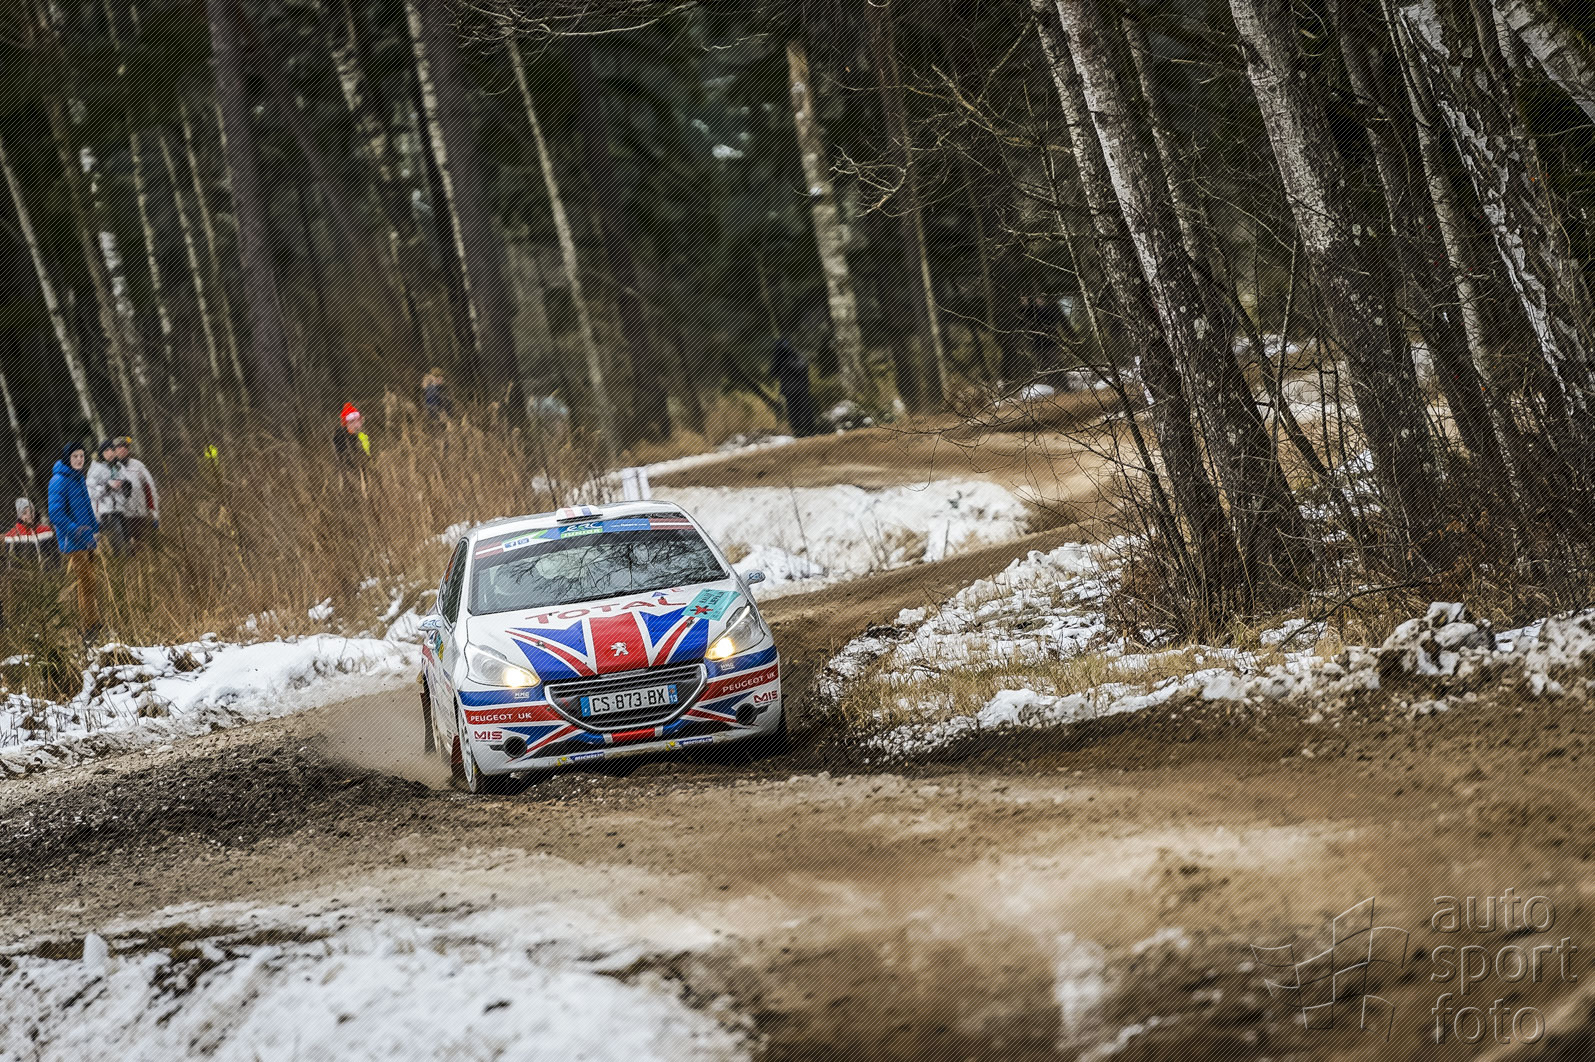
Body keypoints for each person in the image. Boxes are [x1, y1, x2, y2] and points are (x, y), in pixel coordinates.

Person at [47, 441, 101, 638]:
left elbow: (86, 507)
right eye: (75, 456)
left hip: (87, 539)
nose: (79, 459)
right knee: (87, 583)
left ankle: (92, 626)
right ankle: (90, 628)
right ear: (67, 458)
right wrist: (75, 530)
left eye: (81, 456)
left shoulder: (78, 477)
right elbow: (55, 513)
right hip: (73, 541)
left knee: (89, 584)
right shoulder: (59, 480)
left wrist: (95, 529)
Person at [85, 437, 132, 552]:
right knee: (119, 546)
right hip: (106, 513)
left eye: (112, 450)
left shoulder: (118, 467)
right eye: (106, 451)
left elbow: (126, 487)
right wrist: (107, 487)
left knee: (129, 547)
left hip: (121, 510)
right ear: (102, 454)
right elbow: (90, 492)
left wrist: (125, 485)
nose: (110, 453)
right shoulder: (95, 469)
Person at [113, 436, 159, 549]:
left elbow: (150, 489)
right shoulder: (110, 469)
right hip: (120, 518)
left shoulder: (138, 466)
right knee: (126, 552)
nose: (122, 449)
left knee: (143, 549)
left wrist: (155, 514)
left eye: (125, 446)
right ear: (114, 451)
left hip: (140, 516)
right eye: (119, 447)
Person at [770, 337, 817, 438]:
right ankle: (800, 432)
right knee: (794, 412)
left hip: (798, 389)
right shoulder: (781, 359)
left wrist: (786, 363)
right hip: (791, 390)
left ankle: (810, 431)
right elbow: (773, 373)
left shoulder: (793, 357)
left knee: (804, 410)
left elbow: (801, 367)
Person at [4, 498, 54, 567]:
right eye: (24, 513)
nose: (29, 515)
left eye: (31, 511)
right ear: (19, 516)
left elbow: (54, 557)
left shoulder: (46, 531)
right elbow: (13, 564)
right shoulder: (11, 536)